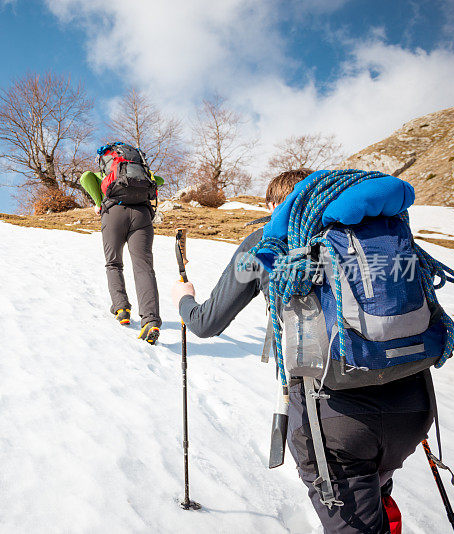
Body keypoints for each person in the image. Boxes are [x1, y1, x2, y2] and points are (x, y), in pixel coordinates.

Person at [171, 169, 435, 533]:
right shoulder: (370, 232)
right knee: (375, 487)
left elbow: (206, 323)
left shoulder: (264, 246)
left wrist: (184, 301)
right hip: (413, 405)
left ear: (271, 205)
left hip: (333, 415)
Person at [80, 142, 164, 344]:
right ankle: (150, 320)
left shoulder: (108, 173)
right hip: (142, 214)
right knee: (144, 267)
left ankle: (122, 308)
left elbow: (85, 177)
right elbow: (158, 180)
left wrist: (99, 203)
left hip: (113, 213)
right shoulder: (139, 171)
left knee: (114, 263)